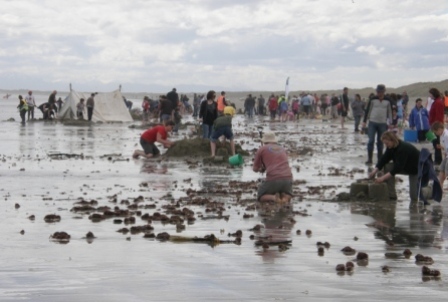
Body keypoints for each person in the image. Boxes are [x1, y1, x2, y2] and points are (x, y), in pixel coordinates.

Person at [368, 131, 420, 203]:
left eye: (387, 143)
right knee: (387, 166)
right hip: (404, 166)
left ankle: (429, 190)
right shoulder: (391, 147)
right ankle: (392, 195)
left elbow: (397, 168)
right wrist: (374, 171)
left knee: (414, 197)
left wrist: (382, 178)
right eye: (385, 144)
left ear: (392, 140)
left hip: (416, 169)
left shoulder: (402, 148)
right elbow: (384, 159)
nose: (386, 145)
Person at [253, 132, 293, 203]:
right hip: (288, 178)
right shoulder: (282, 148)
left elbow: (255, 169)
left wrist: (261, 169)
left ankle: (274, 198)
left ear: (264, 141)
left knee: (260, 196)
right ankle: (285, 198)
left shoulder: (262, 149)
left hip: (273, 178)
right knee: (289, 193)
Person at [362, 84, 392, 165]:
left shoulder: (388, 100)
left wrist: (390, 123)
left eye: (381, 92)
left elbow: (390, 112)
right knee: (371, 140)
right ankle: (369, 159)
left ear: (384, 91)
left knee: (380, 142)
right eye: (378, 91)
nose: (379, 93)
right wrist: (364, 121)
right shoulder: (372, 99)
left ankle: (380, 160)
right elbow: (368, 110)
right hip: (372, 122)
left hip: (383, 123)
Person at [428, 88, 444, 165]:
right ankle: (438, 159)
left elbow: (438, 116)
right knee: (434, 142)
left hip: (435, 126)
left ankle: (438, 160)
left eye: (430, 94)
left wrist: (436, 127)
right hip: (433, 125)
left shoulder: (438, 102)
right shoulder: (436, 102)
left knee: (436, 143)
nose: (429, 95)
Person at [431, 122, 448, 189]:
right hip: (447, 155)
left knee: (447, 171)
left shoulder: (446, 135)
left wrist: (443, 148)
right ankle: (440, 186)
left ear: (439, 129)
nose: (436, 134)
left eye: (436, 132)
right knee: (441, 168)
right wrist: (441, 147)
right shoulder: (442, 135)